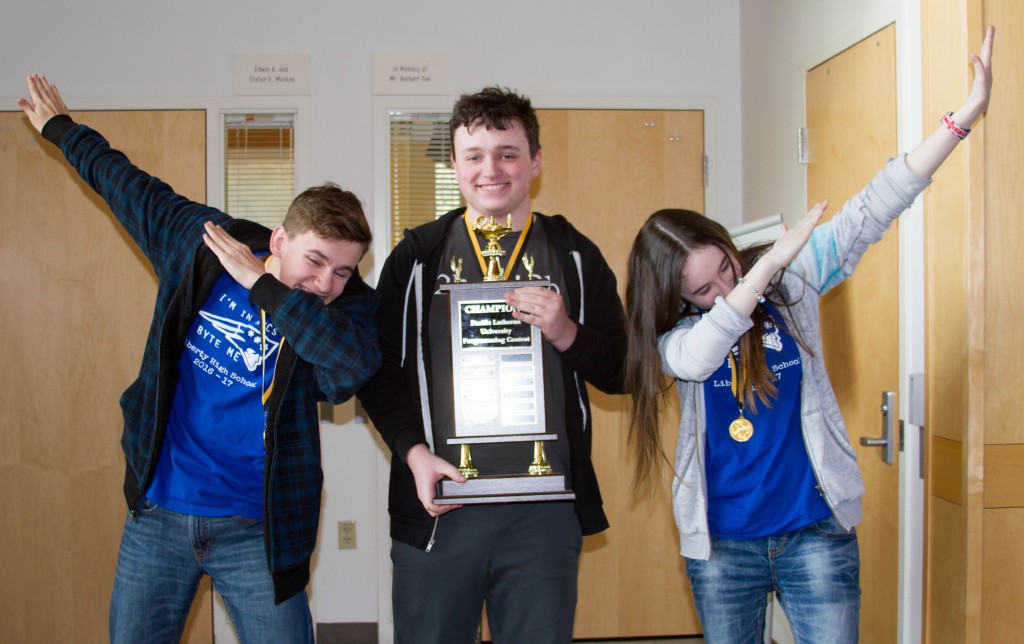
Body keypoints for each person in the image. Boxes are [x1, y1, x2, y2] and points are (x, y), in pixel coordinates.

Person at [623, 26, 994, 644]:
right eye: (703, 289)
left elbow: (876, 205)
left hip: (814, 531)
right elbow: (700, 355)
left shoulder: (790, 286)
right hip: (723, 548)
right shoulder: (677, 341)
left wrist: (961, 120)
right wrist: (763, 268)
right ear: (675, 301)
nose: (724, 285)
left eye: (727, 265)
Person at [18, 75, 381, 643]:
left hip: (256, 530)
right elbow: (129, 186)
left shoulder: (347, 310)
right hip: (159, 512)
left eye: (342, 270)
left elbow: (345, 378)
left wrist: (270, 291)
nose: (326, 283)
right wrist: (60, 129)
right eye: (315, 261)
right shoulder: (204, 246)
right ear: (281, 239)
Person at [357, 86, 625, 643]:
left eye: (507, 152)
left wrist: (565, 332)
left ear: (535, 161)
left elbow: (624, 371)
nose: (491, 169)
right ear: (454, 163)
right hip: (441, 508)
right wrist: (413, 453)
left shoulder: (575, 255)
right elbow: (377, 373)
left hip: (543, 512)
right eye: (474, 155)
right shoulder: (416, 257)